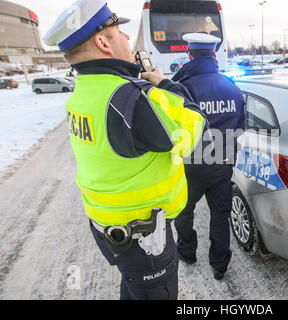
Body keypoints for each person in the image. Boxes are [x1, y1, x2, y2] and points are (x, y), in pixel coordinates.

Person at [43, 0, 205, 300]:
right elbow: (192, 130)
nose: (128, 38)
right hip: (143, 238)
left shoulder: (85, 90)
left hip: (108, 225)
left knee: (134, 288)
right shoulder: (127, 97)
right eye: (120, 32)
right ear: (103, 42)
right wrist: (167, 85)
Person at [172, 33, 246, 280]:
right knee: (220, 215)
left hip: (191, 166)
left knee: (184, 212)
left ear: (189, 55)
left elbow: (171, 127)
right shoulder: (230, 85)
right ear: (214, 55)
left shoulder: (181, 87)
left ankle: (187, 251)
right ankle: (220, 265)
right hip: (222, 163)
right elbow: (241, 126)